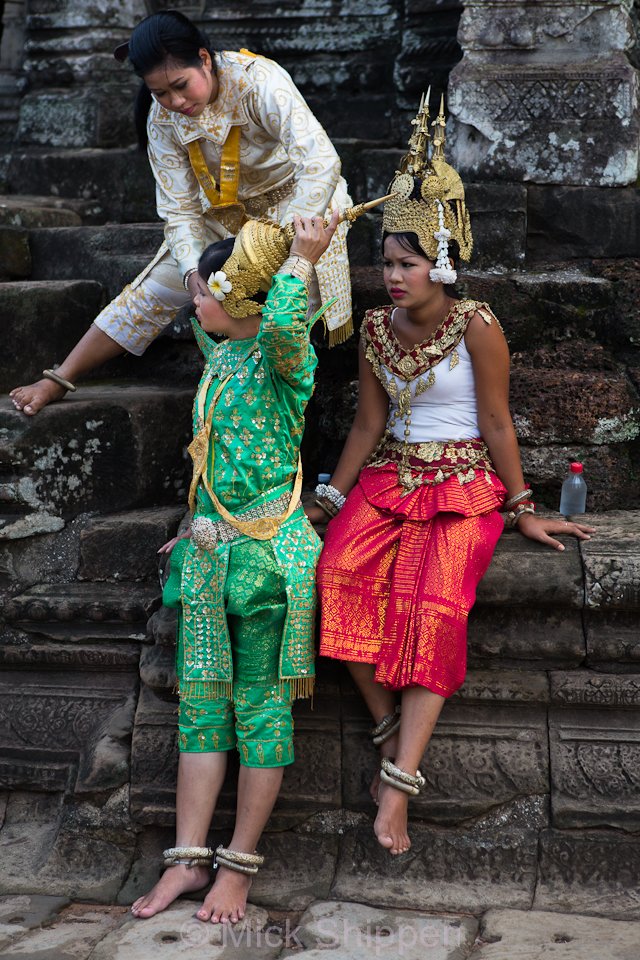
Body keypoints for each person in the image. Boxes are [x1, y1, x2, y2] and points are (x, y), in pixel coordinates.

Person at [309, 95, 595, 858]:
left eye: (406, 263)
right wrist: (331, 498)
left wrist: (524, 507)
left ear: (441, 261)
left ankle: (396, 787)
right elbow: (367, 425)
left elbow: (498, 422)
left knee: (432, 607)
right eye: (385, 262)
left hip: (463, 486)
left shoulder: (477, 324)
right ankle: (391, 733)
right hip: (387, 480)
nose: (392, 276)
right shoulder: (375, 327)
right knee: (333, 576)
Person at [129, 210, 339, 925]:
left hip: (267, 564)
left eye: (209, 293)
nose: (195, 301)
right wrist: (197, 522)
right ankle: (187, 860)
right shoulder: (222, 351)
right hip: (211, 559)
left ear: (247, 298)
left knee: (258, 711)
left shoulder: (287, 360)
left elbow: (284, 324)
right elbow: (204, 285)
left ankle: (238, 868)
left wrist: (299, 261)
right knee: (201, 710)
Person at [10, 10, 351, 415]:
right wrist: (192, 275)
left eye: (180, 86)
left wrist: (285, 243)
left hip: (300, 208)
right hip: (223, 215)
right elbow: (179, 210)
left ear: (204, 59)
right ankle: (61, 378)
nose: (175, 102)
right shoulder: (162, 119)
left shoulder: (259, 80)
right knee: (153, 288)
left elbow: (320, 162)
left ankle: (259, 401)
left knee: (290, 299)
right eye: (160, 93)